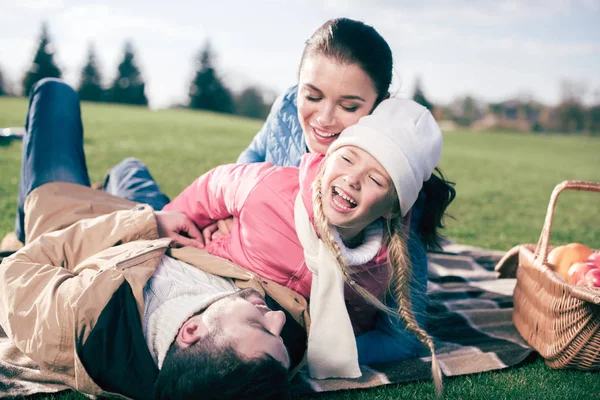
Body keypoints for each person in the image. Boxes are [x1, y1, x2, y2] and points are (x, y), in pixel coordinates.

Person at [0, 78, 307, 400]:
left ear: (191, 331)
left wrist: (148, 223)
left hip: (74, 214)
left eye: (260, 326)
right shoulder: (274, 352)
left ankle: (40, 214)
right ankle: (114, 181)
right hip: (169, 219)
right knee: (130, 167)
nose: (278, 318)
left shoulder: (78, 325)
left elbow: (14, 271)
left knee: (54, 92)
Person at [207, 17, 455, 366]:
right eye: (312, 95)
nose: (323, 118)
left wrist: (313, 351)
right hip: (236, 260)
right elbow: (248, 162)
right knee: (144, 208)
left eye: (349, 106)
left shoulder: (391, 198)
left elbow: (404, 336)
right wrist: (231, 216)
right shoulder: (288, 110)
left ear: (378, 108)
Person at [162, 96, 446, 392]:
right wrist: (171, 215)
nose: (353, 179)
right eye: (347, 159)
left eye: (376, 179)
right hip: (209, 268)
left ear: (392, 208)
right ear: (326, 160)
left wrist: (321, 354)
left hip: (260, 313)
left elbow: (378, 333)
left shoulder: (382, 266)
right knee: (139, 192)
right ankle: (130, 173)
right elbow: (213, 187)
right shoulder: (272, 188)